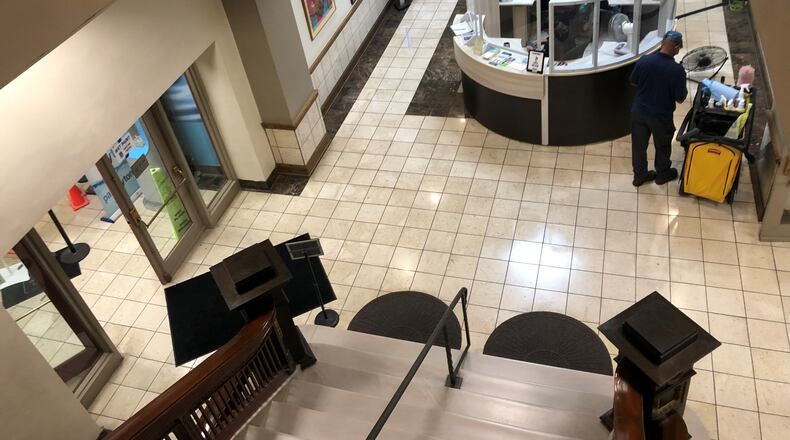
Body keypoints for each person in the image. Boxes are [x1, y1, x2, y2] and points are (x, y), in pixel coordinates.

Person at [629, 31, 687, 187]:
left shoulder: (644, 61)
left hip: (639, 112)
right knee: (662, 144)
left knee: (638, 146)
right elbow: (680, 98)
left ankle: (639, 176)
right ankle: (662, 174)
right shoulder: (677, 71)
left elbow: (634, 82)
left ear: (662, 43)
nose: (679, 50)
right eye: (679, 47)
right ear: (676, 47)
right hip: (661, 117)